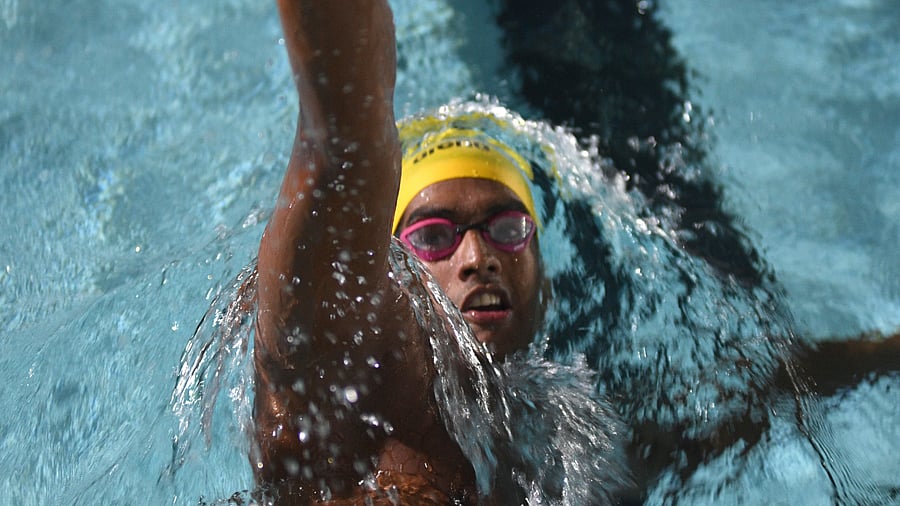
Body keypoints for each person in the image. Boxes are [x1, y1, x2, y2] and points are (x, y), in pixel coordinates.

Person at [251, 1, 628, 504]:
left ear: (547, 283)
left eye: (508, 228)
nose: (476, 257)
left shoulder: (572, 434)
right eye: (433, 236)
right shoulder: (355, 381)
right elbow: (338, 151)